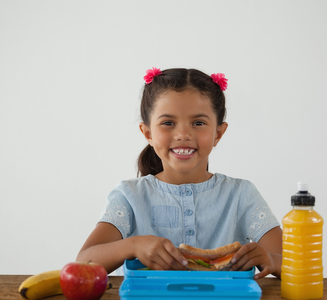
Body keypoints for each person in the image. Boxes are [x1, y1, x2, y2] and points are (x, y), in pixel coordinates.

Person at [76, 68, 282, 279]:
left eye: (198, 123)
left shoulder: (241, 194)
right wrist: (133, 245)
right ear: (147, 133)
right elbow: (83, 263)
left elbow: (295, 263)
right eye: (168, 123)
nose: (183, 135)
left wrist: (272, 260)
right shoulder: (129, 196)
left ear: (218, 133)